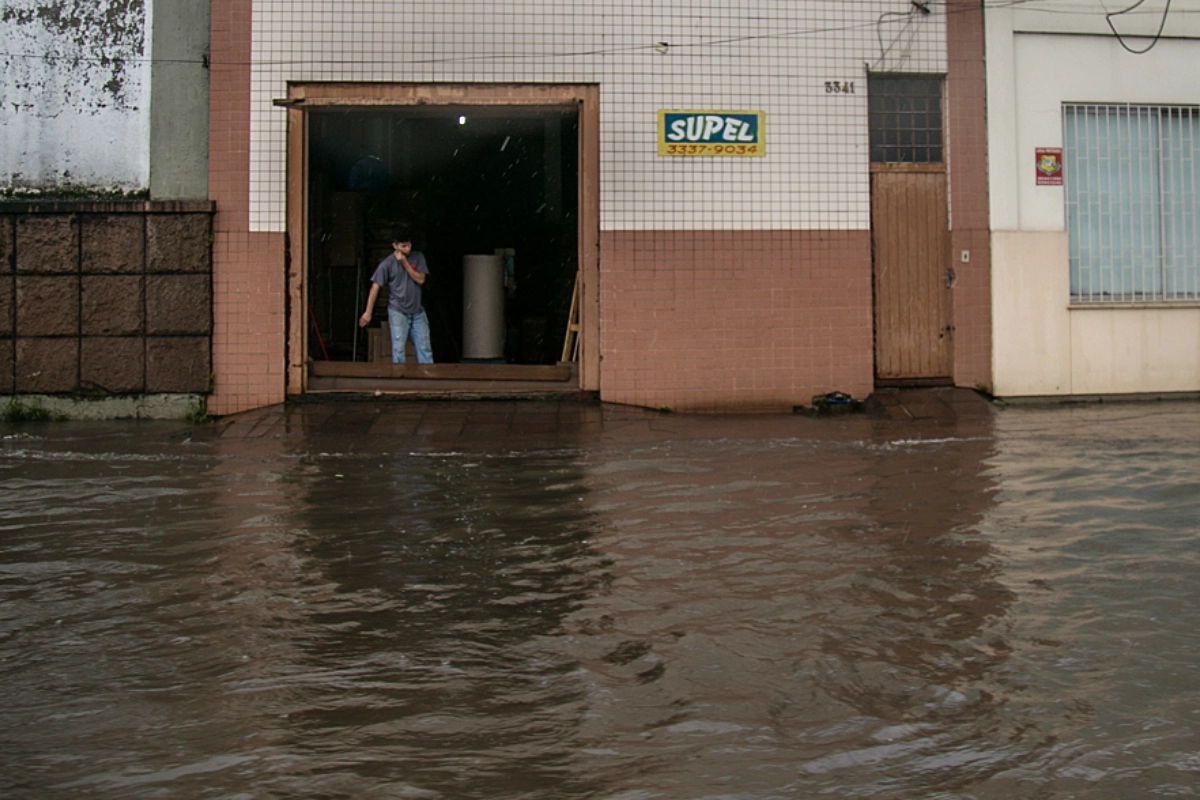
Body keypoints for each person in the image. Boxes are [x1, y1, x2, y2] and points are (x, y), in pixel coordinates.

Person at [358, 232, 434, 363]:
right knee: (398, 349)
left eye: (409, 245)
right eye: (403, 246)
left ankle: (427, 380)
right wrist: (368, 312)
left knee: (425, 348)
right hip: (398, 311)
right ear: (395, 245)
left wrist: (405, 263)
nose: (407, 249)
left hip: (417, 311)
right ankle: (399, 380)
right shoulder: (387, 263)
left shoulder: (418, 257)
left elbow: (421, 280)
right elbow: (375, 287)